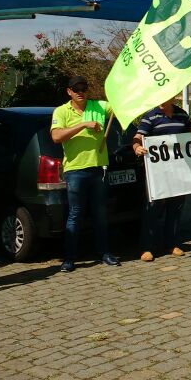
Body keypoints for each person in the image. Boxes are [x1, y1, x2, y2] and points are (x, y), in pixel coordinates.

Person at [51, 76, 121, 272]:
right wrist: (83, 124)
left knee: (100, 213)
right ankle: (70, 258)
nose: (80, 92)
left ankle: (104, 253)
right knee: (75, 214)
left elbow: (119, 106)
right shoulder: (62, 111)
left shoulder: (99, 106)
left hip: (99, 168)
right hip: (75, 170)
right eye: (76, 89)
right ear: (69, 91)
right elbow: (56, 136)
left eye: (84, 88)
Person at [132, 95, 191, 261]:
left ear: (173, 97)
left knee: (175, 207)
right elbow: (138, 136)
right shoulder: (151, 116)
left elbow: (189, 130)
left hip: (178, 170)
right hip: (157, 172)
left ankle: (172, 244)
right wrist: (136, 146)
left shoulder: (182, 115)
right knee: (153, 208)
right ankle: (147, 248)